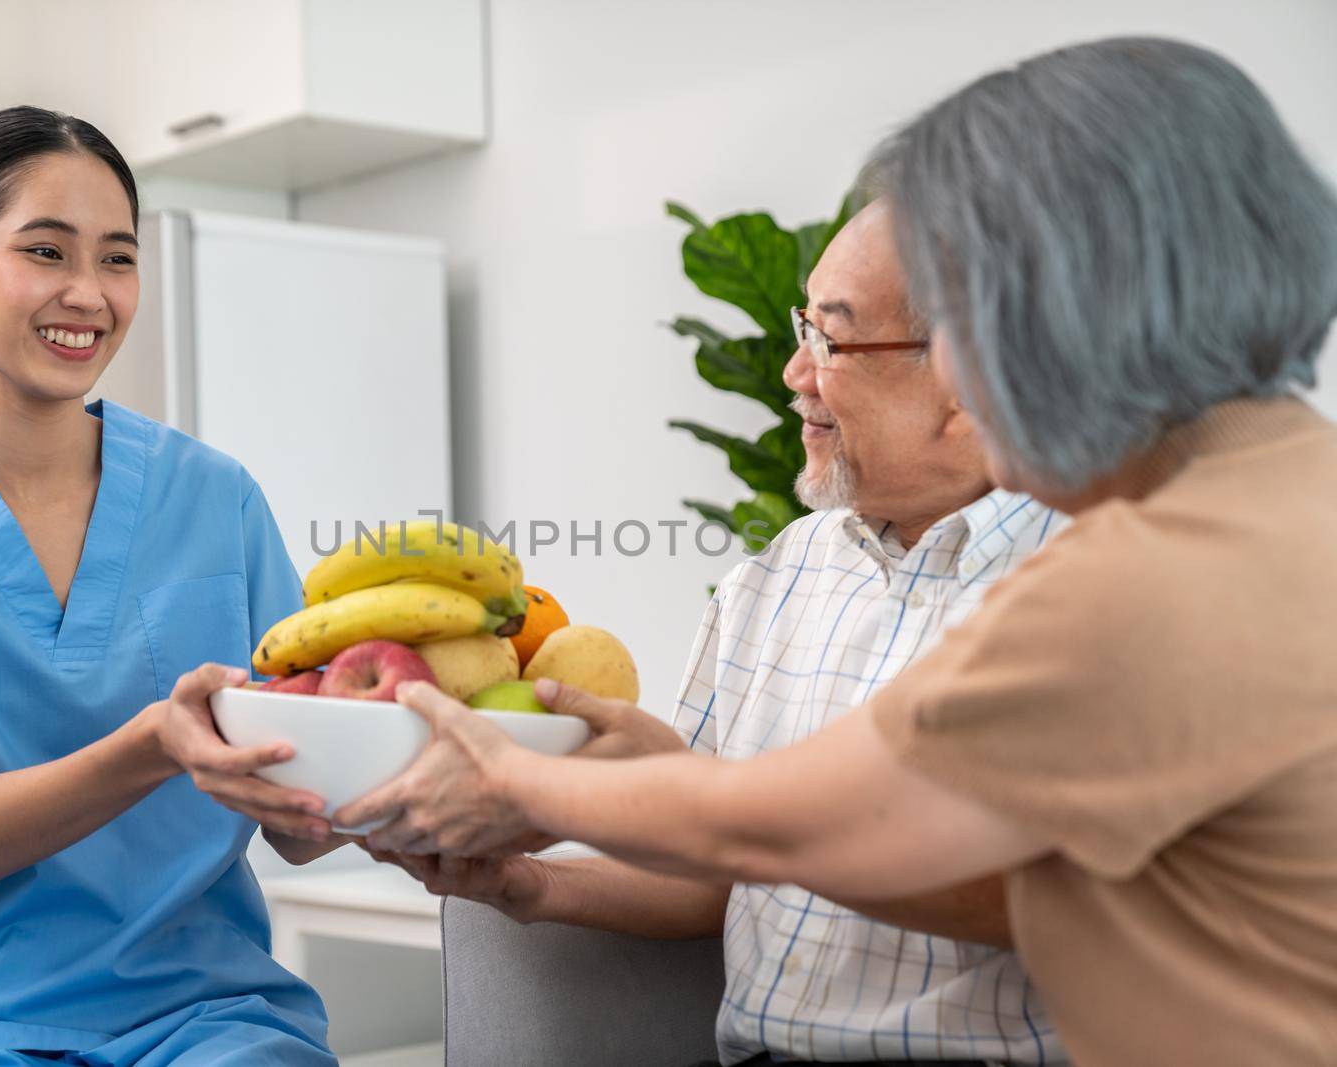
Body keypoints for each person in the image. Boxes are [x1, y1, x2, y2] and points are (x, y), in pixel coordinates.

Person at [337, 37, 1337, 1067]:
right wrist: (608, 816)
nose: (959, 364)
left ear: (1070, 301)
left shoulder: (1153, 567)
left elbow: (801, 822)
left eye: (968, 307)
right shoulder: (1277, 492)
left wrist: (512, 776)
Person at [369, 200, 1068, 1065]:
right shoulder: (777, 577)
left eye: (830, 343)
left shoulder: (1091, 585)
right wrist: (527, 881)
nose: (792, 373)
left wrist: (667, 793)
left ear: (970, 378)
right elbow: (716, 877)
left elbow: (1046, 897)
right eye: (801, 326)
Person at [0, 106, 338, 1065]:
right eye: (47, 251)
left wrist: (424, 754)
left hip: (204, 1013)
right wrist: (156, 745)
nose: (89, 293)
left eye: (118, 259)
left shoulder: (215, 495)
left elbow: (302, 823)